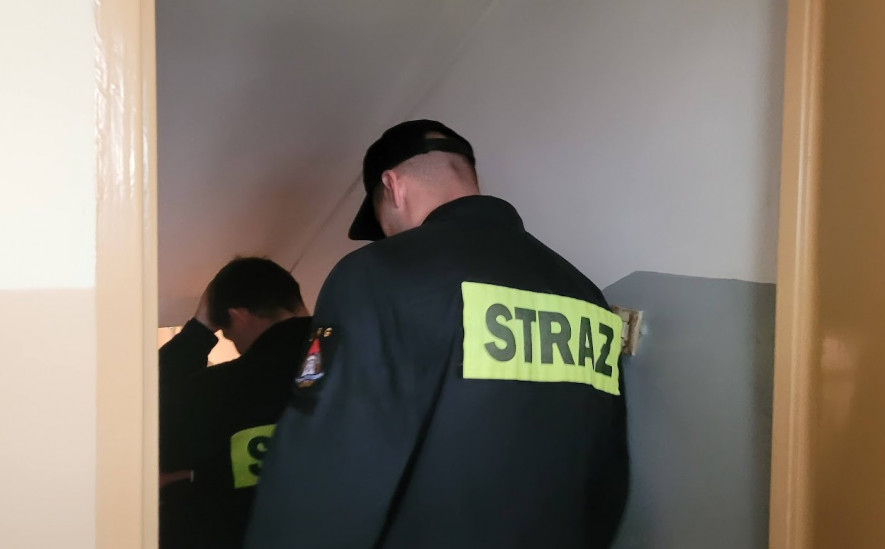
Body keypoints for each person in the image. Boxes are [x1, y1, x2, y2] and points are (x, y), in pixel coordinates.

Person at [245, 120, 629, 548]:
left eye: (380, 219)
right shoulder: (584, 293)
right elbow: (608, 477)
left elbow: (327, 473)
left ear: (392, 186)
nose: (386, 234)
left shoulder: (377, 273)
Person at [158, 257, 312, 549]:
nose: (237, 346)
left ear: (238, 315)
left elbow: (149, 416)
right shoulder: (359, 359)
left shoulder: (225, 389)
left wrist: (200, 328)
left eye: (229, 335)